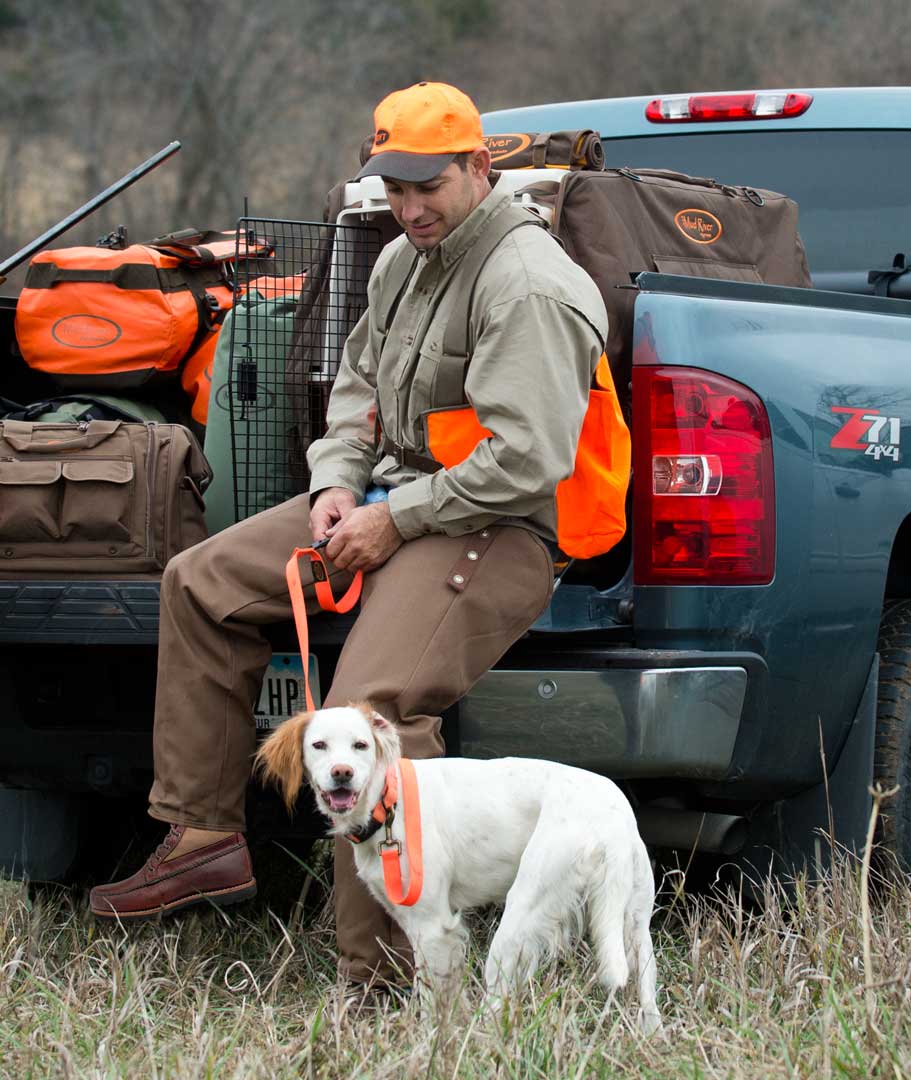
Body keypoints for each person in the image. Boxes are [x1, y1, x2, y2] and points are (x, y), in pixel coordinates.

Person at [89, 81, 609, 989]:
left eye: (429, 187)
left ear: (480, 168)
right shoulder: (401, 262)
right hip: (390, 498)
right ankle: (204, 834)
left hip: (498, 526)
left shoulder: (527, 281)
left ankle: (384, 976)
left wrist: (389, 517)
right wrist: (334, 484)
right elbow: (357, 393)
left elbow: (528, 461)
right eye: (393, 187)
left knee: (372, 709)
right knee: (198, 581)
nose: (409, 208)